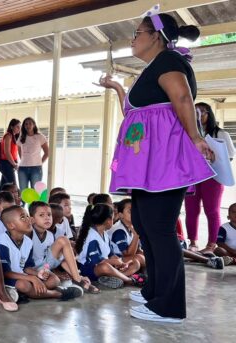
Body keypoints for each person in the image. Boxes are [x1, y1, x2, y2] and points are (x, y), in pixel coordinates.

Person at [97, 11, 214, 323]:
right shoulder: (154, 67)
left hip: (164, 162)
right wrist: (118, 89)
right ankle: (154, 292)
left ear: (155, 37)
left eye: (138, 32)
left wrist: (196, 137)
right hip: (149, 164)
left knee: (160, 229)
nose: (133, 38)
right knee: (148, 227)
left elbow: (183, 98)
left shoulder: (169, 62)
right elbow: (134, 112)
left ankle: (170, 306)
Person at [0, 206, 84, 301]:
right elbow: (5, 273)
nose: (29, 219)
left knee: (53, 280)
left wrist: (38, 274)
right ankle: (58, 293)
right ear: (11, 225)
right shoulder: (2, 243)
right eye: (23, 217)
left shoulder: (27, 242)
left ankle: (25, 293)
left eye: (27, 216)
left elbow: (26, 267)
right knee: (24, 285)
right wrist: (32, 279)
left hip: (22, 275)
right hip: (3, 278)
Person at [185, 102, 236, 253]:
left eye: (201, 112)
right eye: (195, 112)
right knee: (191, 210)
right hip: (193, 176)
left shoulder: (221, 134)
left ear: (209, 114)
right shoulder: (188, 132)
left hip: (213, 177)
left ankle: (211, 244)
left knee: (211, 210)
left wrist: (215, 157)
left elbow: (231, 155)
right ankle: (193, 242)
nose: (198, 116)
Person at [28, 202, 97, 294]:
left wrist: (75, 274)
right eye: (41, 215)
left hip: (45, 267)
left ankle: (77, 278)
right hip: (32, 270)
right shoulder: (28, 234)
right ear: (32, 219)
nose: (47, 217)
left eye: (49, 214)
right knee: (53, 281)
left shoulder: (50, 235)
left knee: (63, 241)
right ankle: (66, 284)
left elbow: (58, 259)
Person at [75, 204, 144, 290]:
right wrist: (115, 262)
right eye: (113, 218)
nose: (114, 220)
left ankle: (116, 277)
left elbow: (111, 253)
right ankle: (129, 280)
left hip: (106, 263)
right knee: (105, 267)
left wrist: (122, 264)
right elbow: (96, 261)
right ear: (108, 221)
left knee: (136, 263)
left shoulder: (104, 233)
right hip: (90, 268)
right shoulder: (91, 235)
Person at [16, 117, 49, 194]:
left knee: (35, 193)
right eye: (26, 124)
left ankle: (33, 206)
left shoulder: (40, 137)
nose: (28, 126)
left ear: (34, 125)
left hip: (36, 169)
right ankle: (22, 206)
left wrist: (39, 162)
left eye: (30, 123)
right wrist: (24, 161)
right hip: (22, 169)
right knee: (23, 193)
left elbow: (47, 153)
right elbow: (20, 152)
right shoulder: (21, 137)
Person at [0, 119, 20, 187]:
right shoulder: (8, 135)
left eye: (20, 127)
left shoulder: (13, 137)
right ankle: (16, 197)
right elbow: (7, 152)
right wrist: (14, 164)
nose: (19, 129)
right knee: (13, 186)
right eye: (17, 127)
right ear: (11, 127)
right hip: (6, 164)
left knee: (3, 187)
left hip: (9, 164)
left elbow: (14, 153)